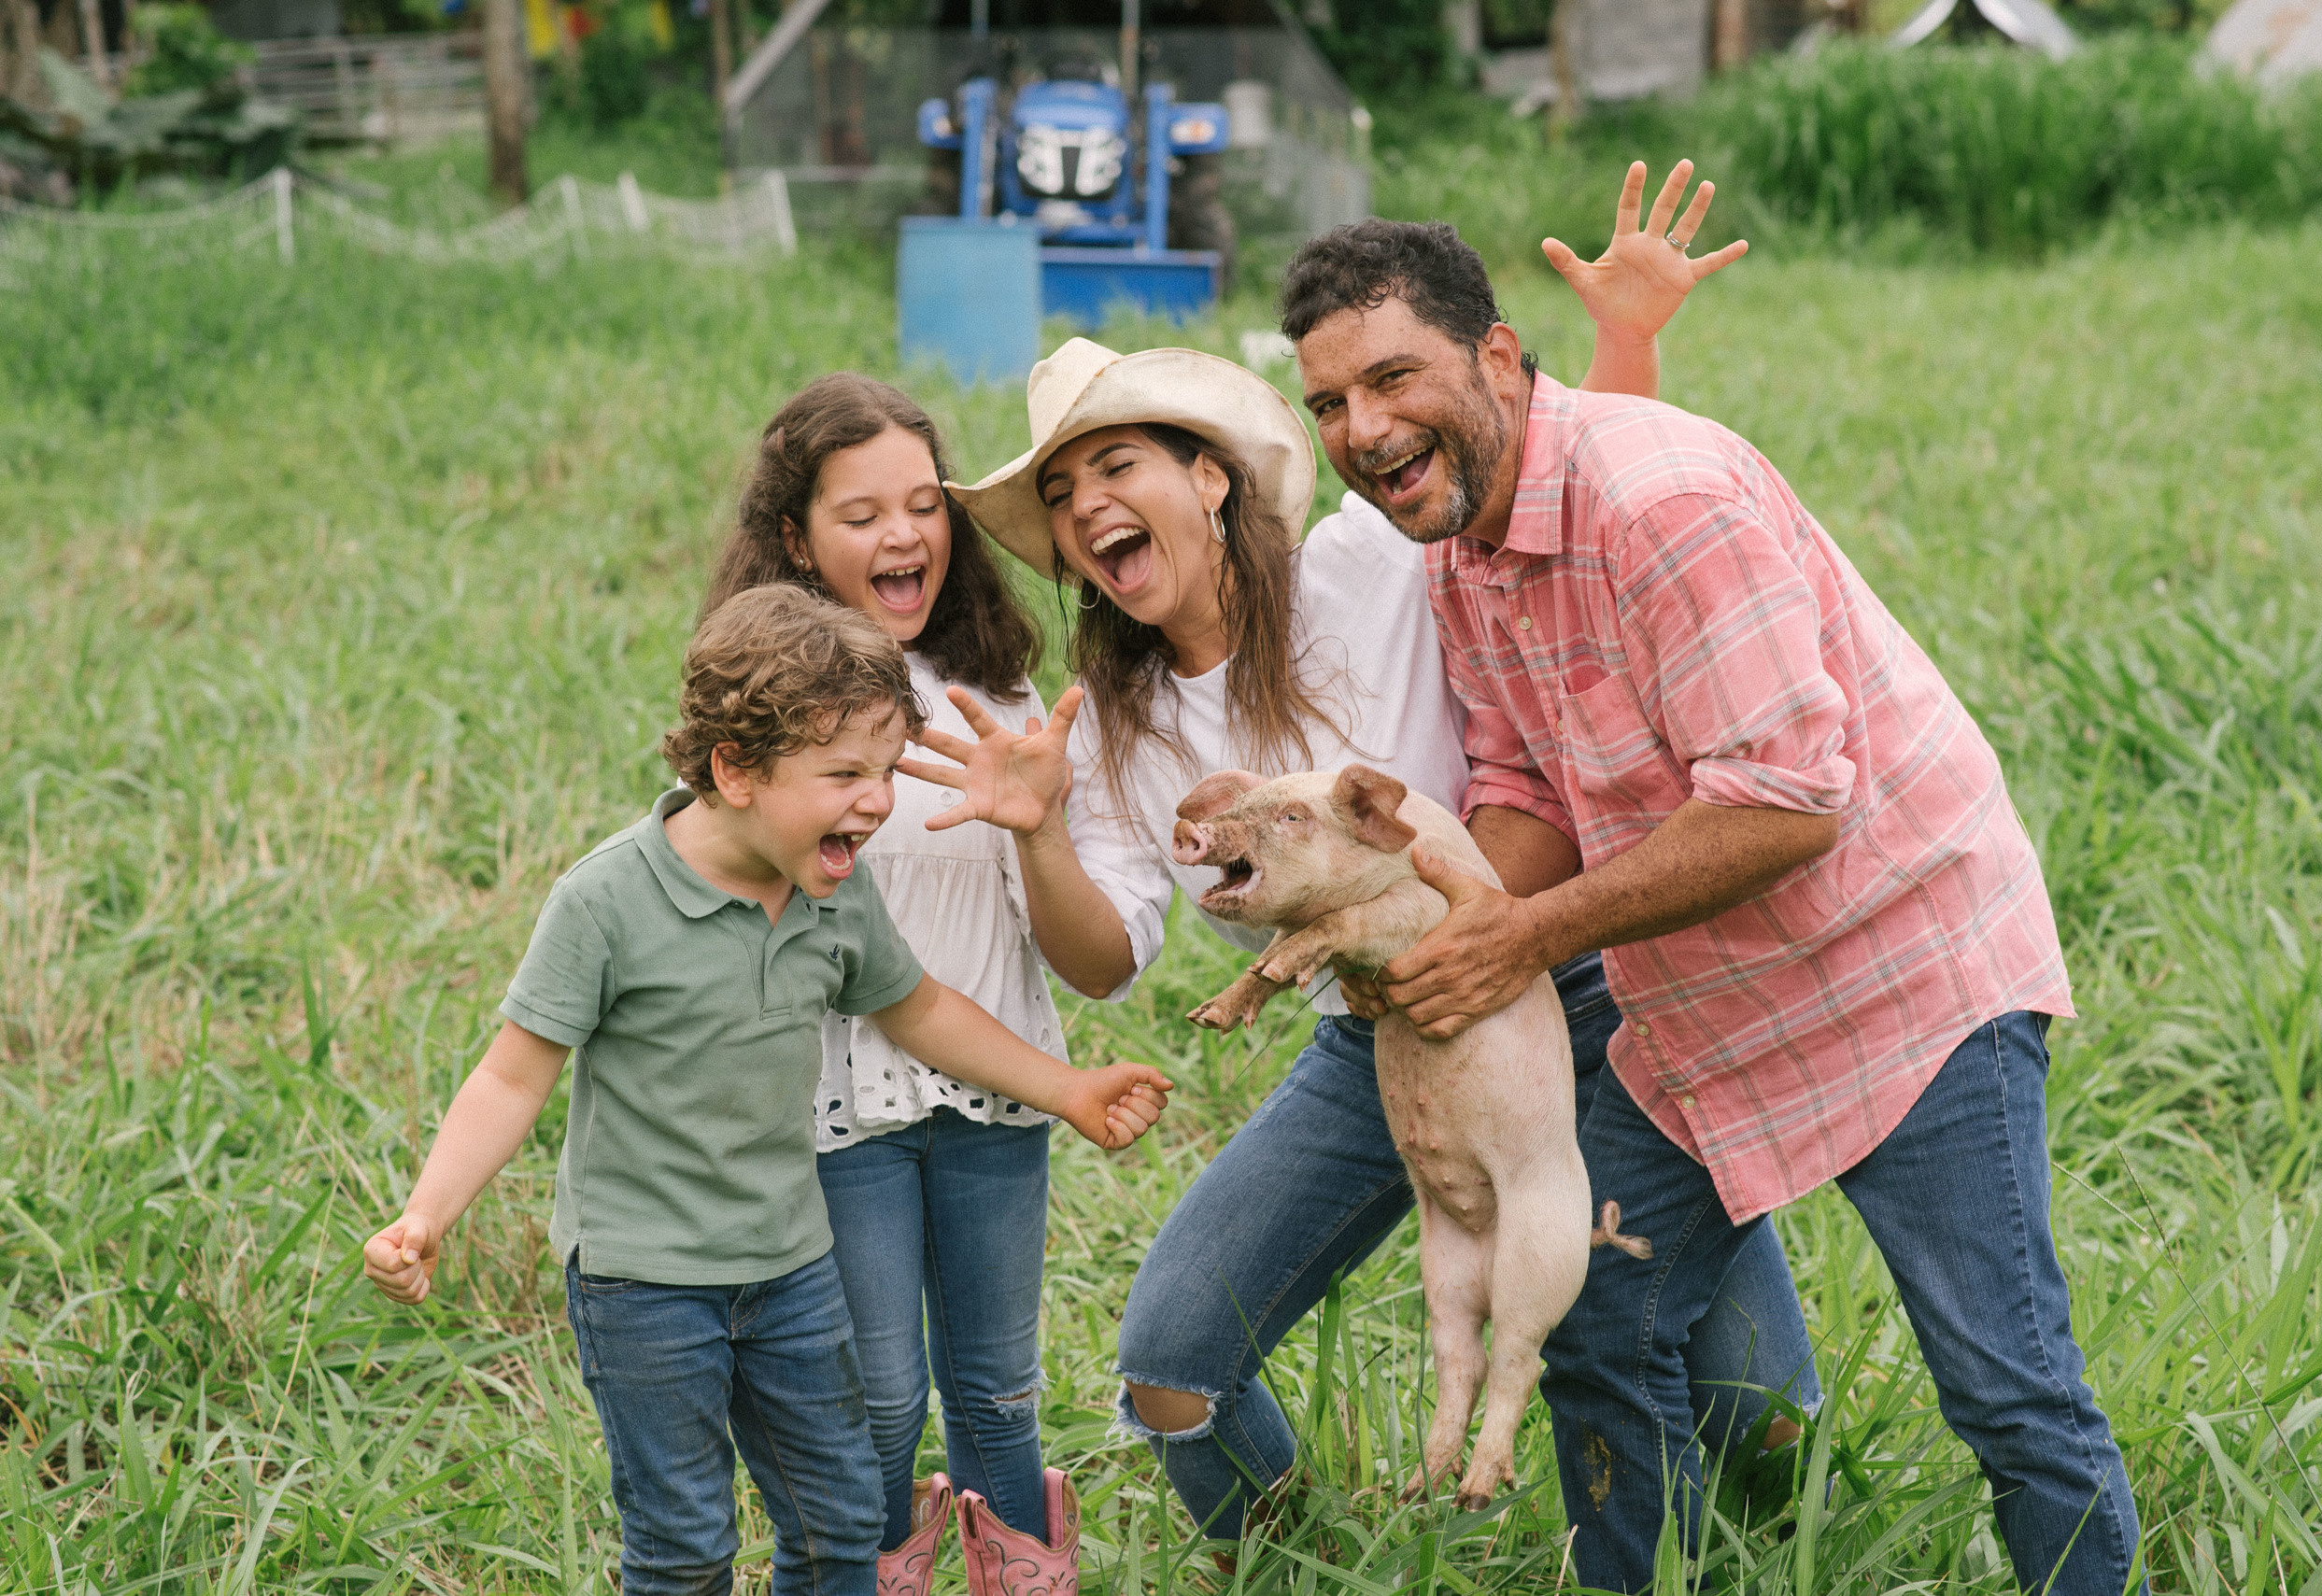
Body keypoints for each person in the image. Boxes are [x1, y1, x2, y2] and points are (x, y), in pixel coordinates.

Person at [902, 162, 1820, 1558]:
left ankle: (1794, 1545)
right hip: (1371, 1036)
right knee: (1171, 1373)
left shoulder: (1363, 565)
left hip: (1564, 988)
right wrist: (1035, 830)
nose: (1092, 506)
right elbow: (1105, 962)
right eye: (1065, 493)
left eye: (1118, 463)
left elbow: (1548, 515)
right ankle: (1319, 1563)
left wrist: (1625, 341)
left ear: (1207, 477)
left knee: (1750, 1406)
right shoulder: (1119, 736)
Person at [1282, 218, 2144, 1592]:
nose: (1364, 426)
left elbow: (1789, 800)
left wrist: (1524, 934)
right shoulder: (1462, 549)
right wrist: (1438, 920)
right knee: (1589, 1306)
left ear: (1497, 356)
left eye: (1392, 379)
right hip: (1709, 1000)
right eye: (1330, 401)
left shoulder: (1659, 500)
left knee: (2008, 1390)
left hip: (1906, 976)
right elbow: (1521, 780)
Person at [358, 584, 1171, 1596]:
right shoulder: (606, 900)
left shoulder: (832, 893)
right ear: (733, 769)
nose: (876, 800)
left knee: (837, 1523)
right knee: (685, 1544)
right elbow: (510, 1075)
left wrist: (1067, 1087)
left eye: (882, 770)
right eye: (843, 773)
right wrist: (427, 1213)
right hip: (644, 1283)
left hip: (791, 1269)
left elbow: (918, 1009)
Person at [701, 373, 1093, 1595]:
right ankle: (861, 1566)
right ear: (796, 540)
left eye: (924, 505)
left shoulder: (1004, 694)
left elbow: (1051, 895)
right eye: (861, 514)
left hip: (993, 1089)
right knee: (874, 1392)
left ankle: (1019, 1562)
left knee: (996, 1383)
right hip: (841, 1105)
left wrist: (1043, 816)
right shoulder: (768, 713)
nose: (902, 535)